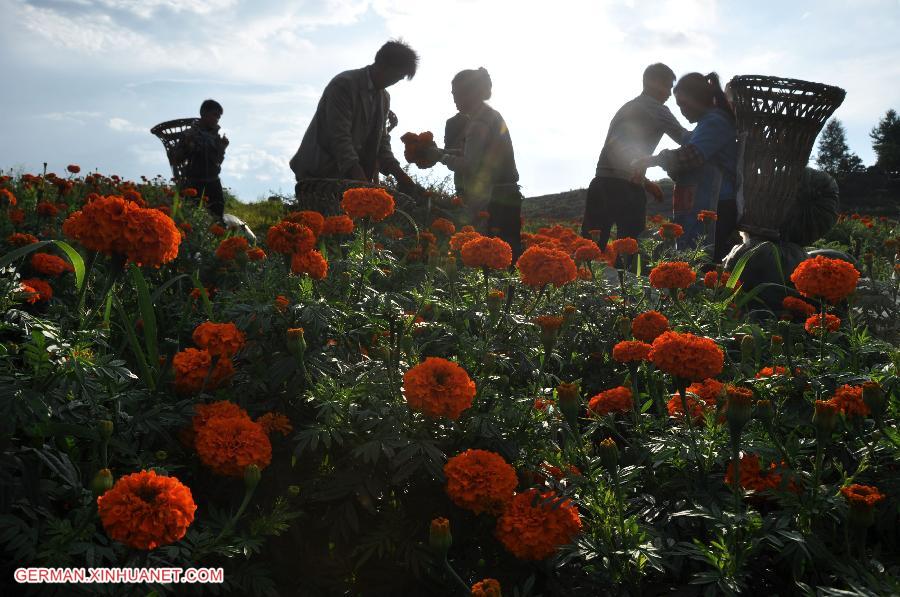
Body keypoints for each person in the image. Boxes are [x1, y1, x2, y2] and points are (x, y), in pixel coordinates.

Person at [289, 40, 423, 200]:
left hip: (349, 179)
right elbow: (339, 139)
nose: (397, 82)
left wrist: (402, 177)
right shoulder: (344, 85)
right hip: (319, 173)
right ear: (383, 66)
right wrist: (364, 185)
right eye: (397, 76)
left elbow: (381, 144)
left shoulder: (384, 98)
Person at [633, 72, 738, 260]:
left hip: (717, 206)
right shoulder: (706, 124)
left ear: (697, 98)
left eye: (683, 104)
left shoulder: (716, 122)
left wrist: (651, 160)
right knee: (697, 260)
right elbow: (688, 144)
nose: (682, 111)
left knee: (706, 262)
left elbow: (691, 156)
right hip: (707, 205)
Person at [582, 63, 689, 247]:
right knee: (630, 252)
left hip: (601, 183)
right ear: (654, 82)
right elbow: (686, 138)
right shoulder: (657, 109)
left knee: (589, 251)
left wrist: (646, 183)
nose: (669, 94)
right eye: (668, 87)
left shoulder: (627, 107)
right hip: (627, 189)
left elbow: (620, 149)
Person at [424, 68, 522, 258]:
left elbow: (470, 165)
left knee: (490, 256)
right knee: (509, 253)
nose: (454, 100)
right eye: (453, 95)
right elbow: (481, 154)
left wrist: (440, 157)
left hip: (494, 199)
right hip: (508, 193)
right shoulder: (491, 115)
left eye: (458, 94)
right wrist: (443, 152)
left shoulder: (479, 123)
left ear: (472, 93)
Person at [176, 99, 229, 221]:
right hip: (194, 183)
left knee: (217, 218)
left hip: (213, 182)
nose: (216, 119)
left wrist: (222, 148)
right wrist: (188, 146)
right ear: (203, 113)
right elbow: (176, 160)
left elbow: (217, 162)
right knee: (192, 219)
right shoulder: (189, 134)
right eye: (214, 115)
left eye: (219, 117)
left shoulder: (215, 137)